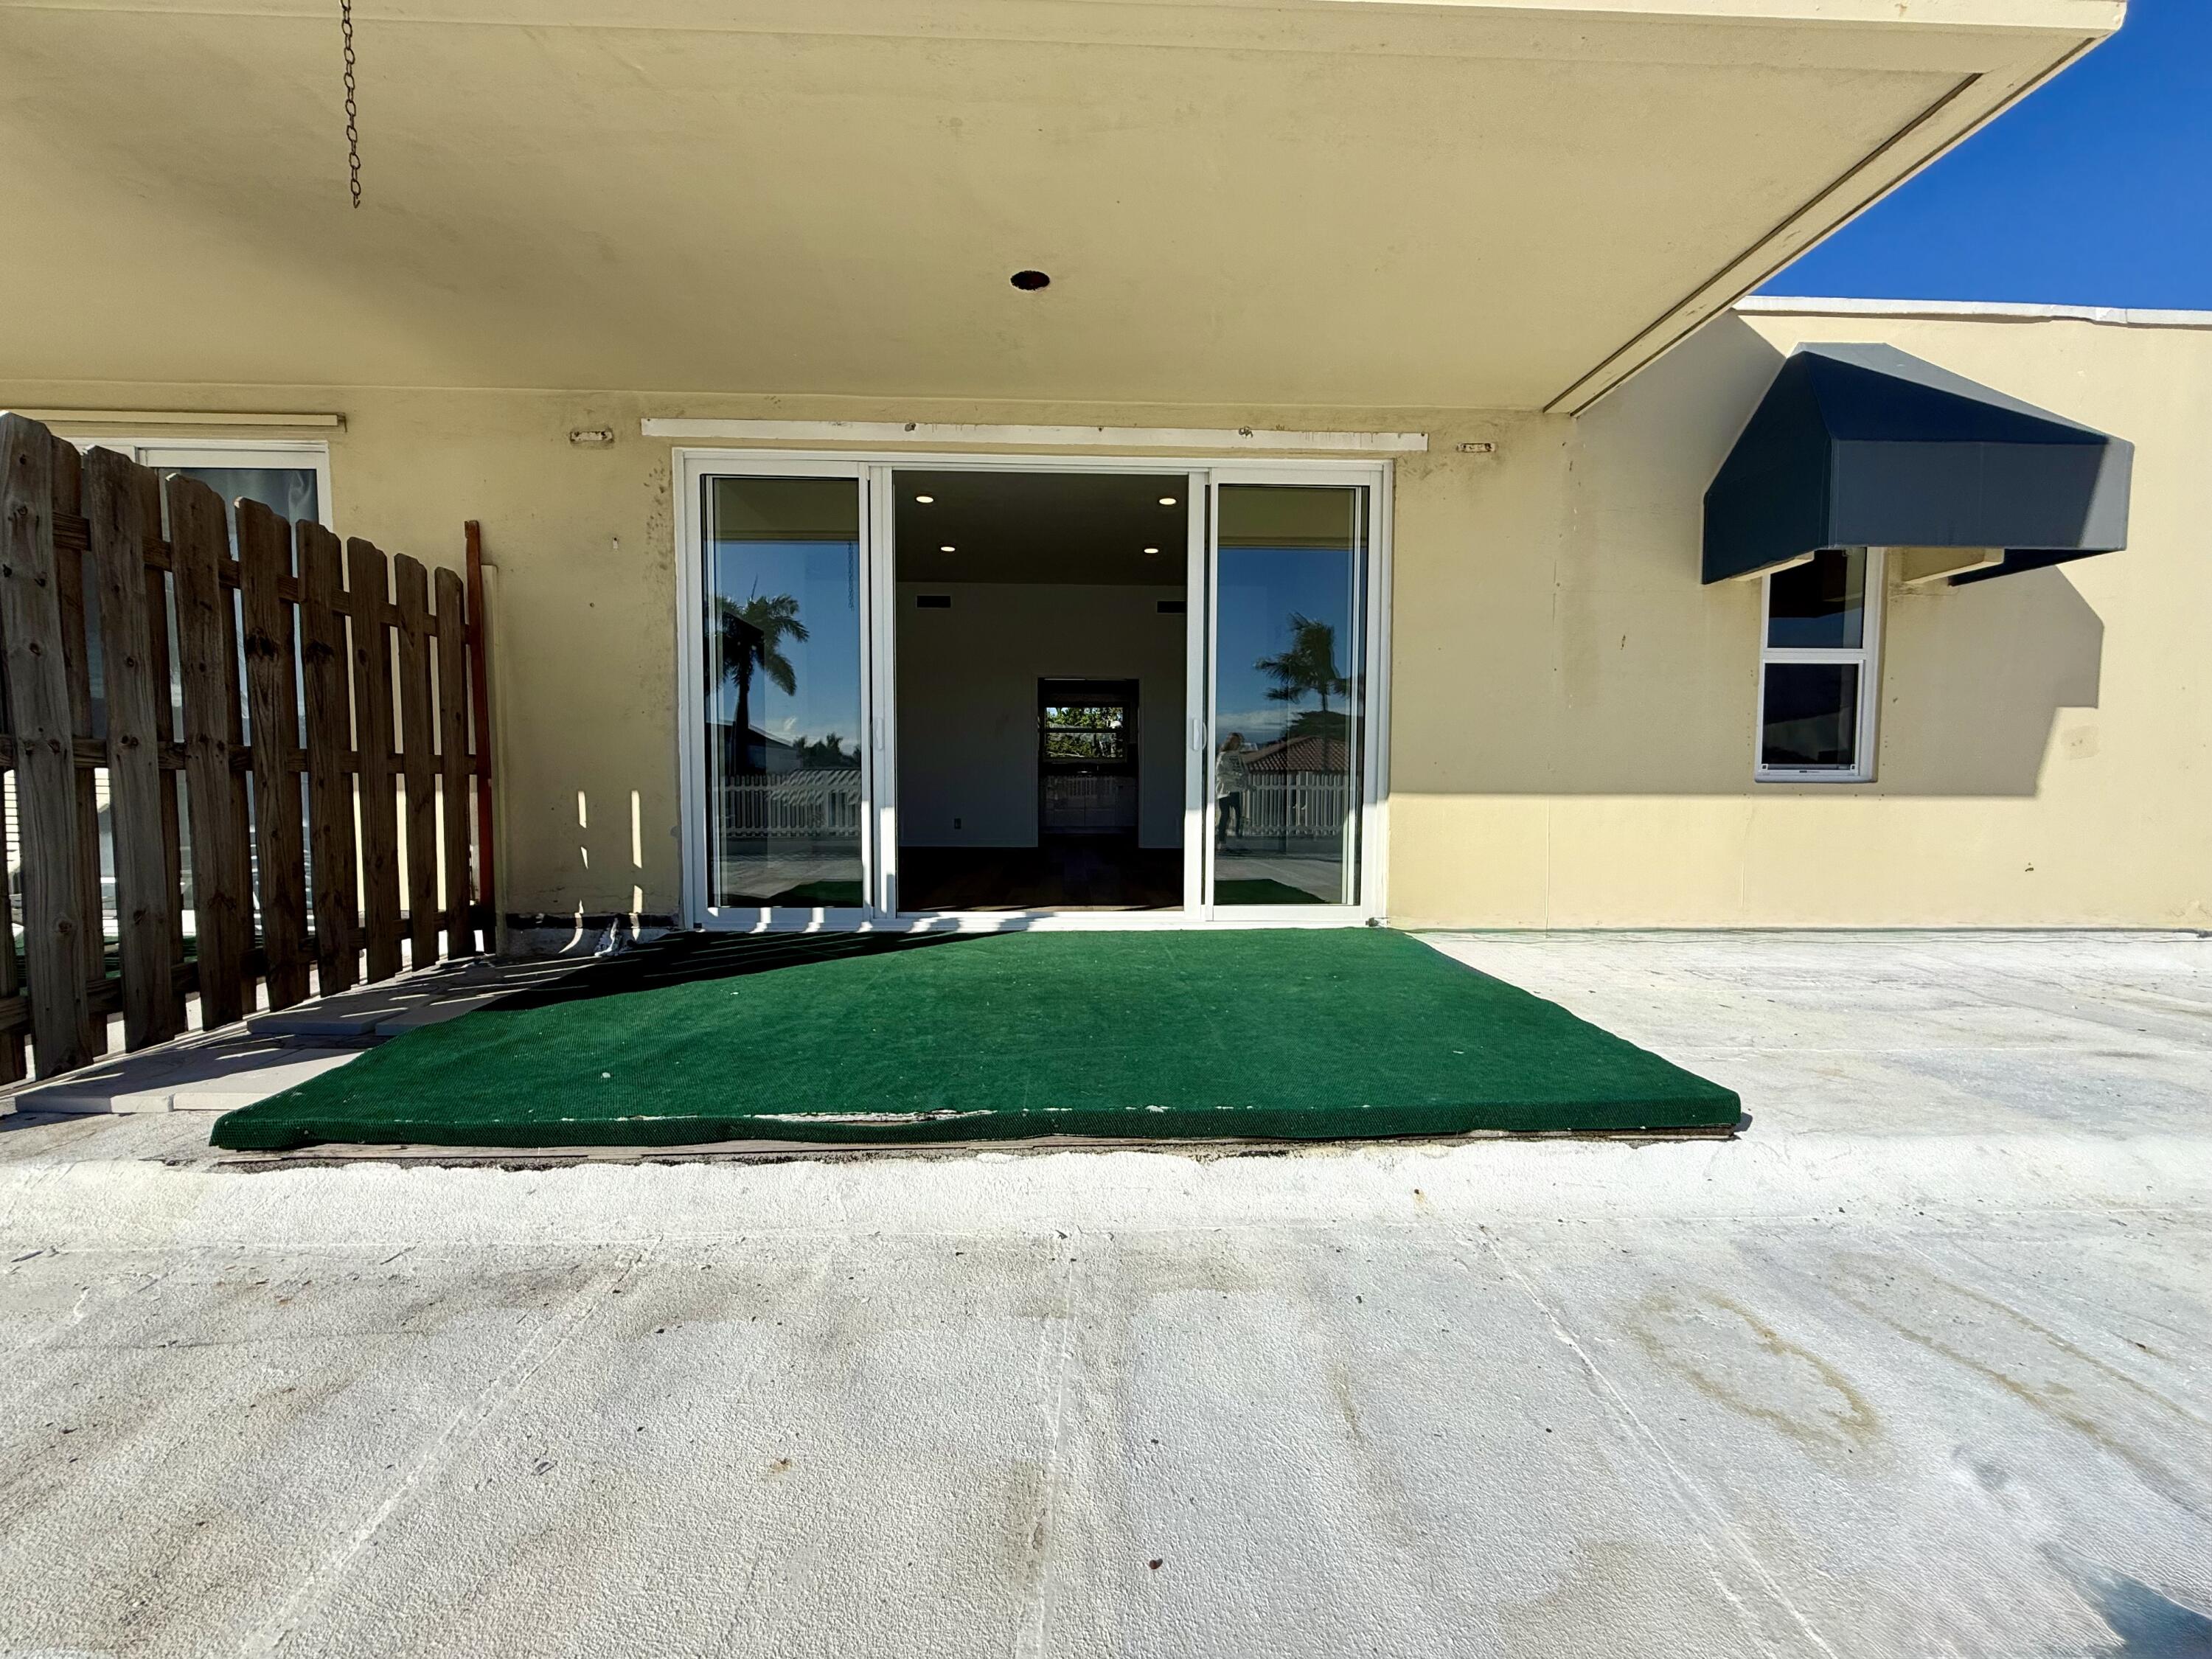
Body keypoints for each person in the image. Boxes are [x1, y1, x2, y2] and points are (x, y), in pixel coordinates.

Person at [1215, 731, 1248, 844]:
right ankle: (1221, 840)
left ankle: (1238, 837)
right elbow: (1220, 774)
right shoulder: (1223, 756)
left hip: (1236, 790)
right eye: (1234, 741)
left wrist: (1244, 781)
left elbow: (1242, 771)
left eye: (1238, 742)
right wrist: (1234, 776)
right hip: (1225, 790)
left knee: (1239, 815)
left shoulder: (1238, 756)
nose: (1236, 744)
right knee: (1225, 815)